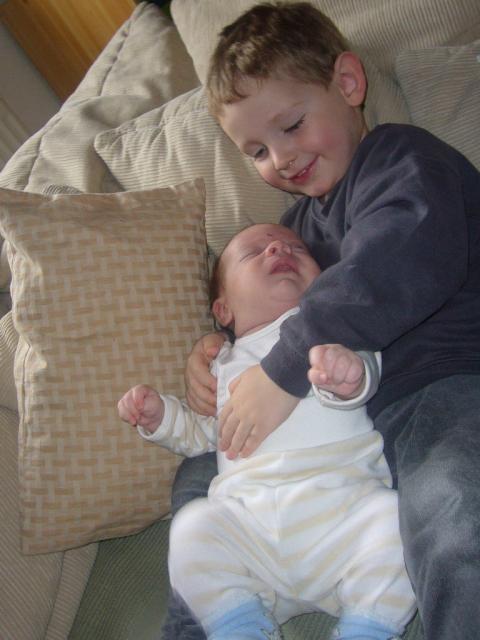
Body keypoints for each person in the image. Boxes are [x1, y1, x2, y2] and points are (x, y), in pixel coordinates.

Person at [178, 3, 480, 640]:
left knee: (452, 509)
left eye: (291, 126)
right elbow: (267, 310)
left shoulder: (402, 160)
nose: (281, 159)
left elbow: (394, 261)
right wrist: (218, 349)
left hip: (444, 384)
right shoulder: (294, 230)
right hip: (350, 431)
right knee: (199, 485)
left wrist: (282, 370)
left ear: (347, 83)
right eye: (257, 150)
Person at [118, 223, 416, 640]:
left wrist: (347, 374)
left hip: (343, 517)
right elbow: (206, 435)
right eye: (253, 252)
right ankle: (240, 625)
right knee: (192, 527)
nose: (279, 248)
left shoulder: (335, 330)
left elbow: (365, 374)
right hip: (251, 536)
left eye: (297, 248)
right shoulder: (222, 364)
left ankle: (367, 627)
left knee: (396, 520)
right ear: (223, 310)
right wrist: (162, 418)